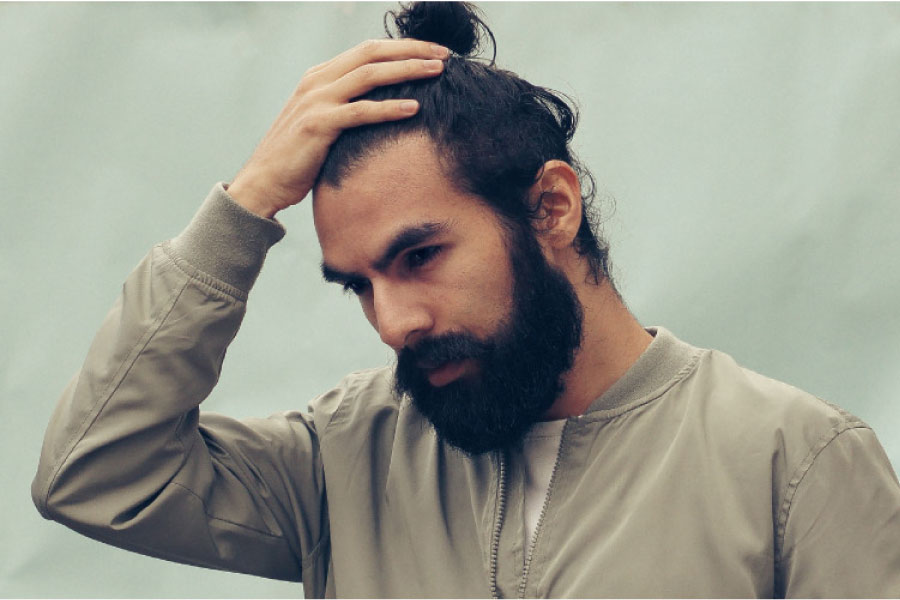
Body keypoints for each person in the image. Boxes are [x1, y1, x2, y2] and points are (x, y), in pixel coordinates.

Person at [33, 3, 900, 598]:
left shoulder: (794, 461)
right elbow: (96, 472)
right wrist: (245, 205)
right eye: (360, 287)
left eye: (420, 255)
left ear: (550, 207)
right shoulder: (344, 459)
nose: (395, 322)